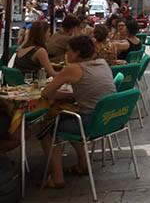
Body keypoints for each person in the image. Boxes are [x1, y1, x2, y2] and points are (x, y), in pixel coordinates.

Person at [38, 35, 116, 188]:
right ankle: (83, 165)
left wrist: (64, 94)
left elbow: (45, 93)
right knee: (71, 120)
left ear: (77, 52)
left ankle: (57, 177)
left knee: (45, 129)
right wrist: (71, 95)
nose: (67, 55)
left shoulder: (73, 69)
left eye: (69, 51)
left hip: (89, 123)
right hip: (108, 120)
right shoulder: (102, 63)